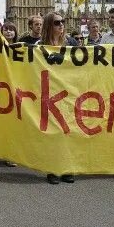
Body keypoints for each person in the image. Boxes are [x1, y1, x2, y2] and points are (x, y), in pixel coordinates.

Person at [37, 11, 78, 185]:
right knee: (53, 133)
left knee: (69, 131)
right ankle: (53, 168)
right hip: (48, 93)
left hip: (69, 93)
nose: (61, 25)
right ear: (48, 26)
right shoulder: (39, 46)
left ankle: (68, 167)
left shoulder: (71, 43)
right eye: (56, 23)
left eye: (63, 22)